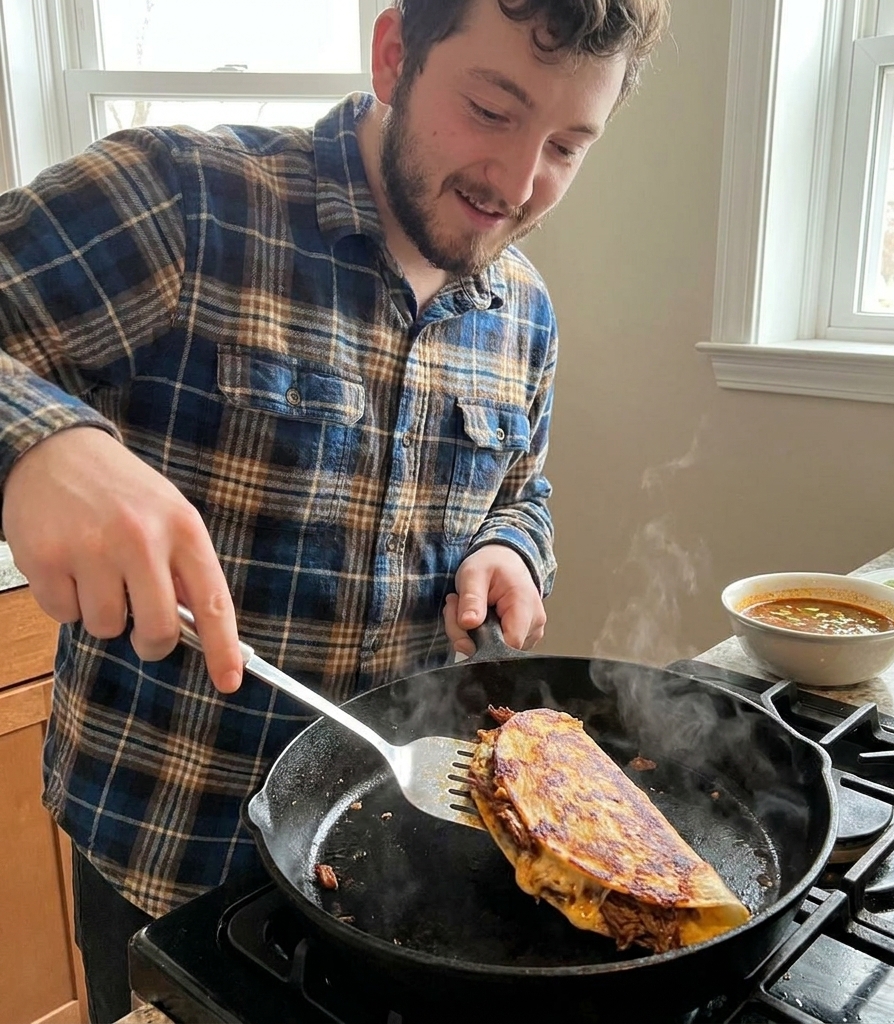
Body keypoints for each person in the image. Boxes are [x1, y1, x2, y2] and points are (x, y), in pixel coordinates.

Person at [0, 0, 669, 1019]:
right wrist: (41, 443)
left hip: (397, 868)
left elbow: (522, 489)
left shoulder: (522, 311)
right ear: (394, 52)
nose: (517, 182)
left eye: (568, 147)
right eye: (490, 108)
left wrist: (512, 548)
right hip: (174, 862)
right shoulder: (185, 199)